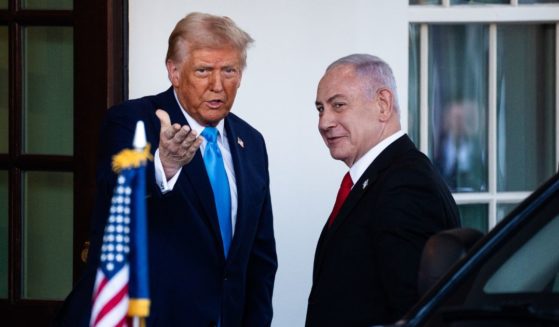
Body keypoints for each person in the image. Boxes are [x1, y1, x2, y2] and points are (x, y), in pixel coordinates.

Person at [54, 12, 277, 327]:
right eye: (203, 71)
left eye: (229, 70)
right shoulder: (132, 122)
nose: (218, 85)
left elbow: (260, 254)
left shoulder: (251, 142)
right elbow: (116, 192)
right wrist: (164, 166)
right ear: (174, 71)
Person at [306, 54, 460, 326]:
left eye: (338, 105)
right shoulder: (387, 176)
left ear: (383, 104)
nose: (324, 122)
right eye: (320, 109)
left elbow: (412, 312)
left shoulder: (407, 185)